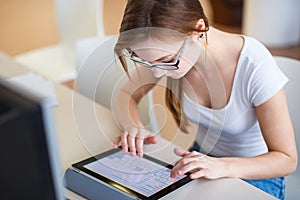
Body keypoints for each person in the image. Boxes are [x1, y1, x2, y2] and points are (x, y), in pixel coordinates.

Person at [111, 0, 298, 199]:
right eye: (147, 62)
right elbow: (125, 95)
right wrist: (133, 126)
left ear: (197, 29)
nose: (157, 74)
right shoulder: (167, 51)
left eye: (166, 61)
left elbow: (286, 160)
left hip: (255, 173)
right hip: (201, 159)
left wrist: (221, 166)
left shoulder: (255, 66)